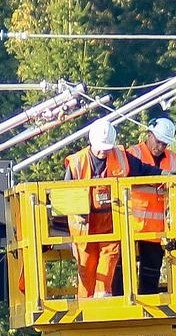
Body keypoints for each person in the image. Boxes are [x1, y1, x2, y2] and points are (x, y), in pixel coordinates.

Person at [62, 119, 159, 298]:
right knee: (86, 266)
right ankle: (85, 303)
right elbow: (65, 196)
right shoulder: (77, 162)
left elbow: (144, 170)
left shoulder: (121, 157)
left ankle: (103, 299)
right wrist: (76, 213)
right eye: (100, 147)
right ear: (91, 142)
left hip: (111, 220)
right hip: (85, 226)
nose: (103, 152)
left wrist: (165, 175)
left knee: (110, 258)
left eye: (107, 148)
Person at [125, 116, 176, 295]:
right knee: (123, 271)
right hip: (131, 225)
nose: (160, 147)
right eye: (158, 142)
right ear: (149, 134)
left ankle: (148, 311)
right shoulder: (133, 154)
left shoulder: (173, 159)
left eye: (164, 144)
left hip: (157, 228)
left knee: (150, 275)